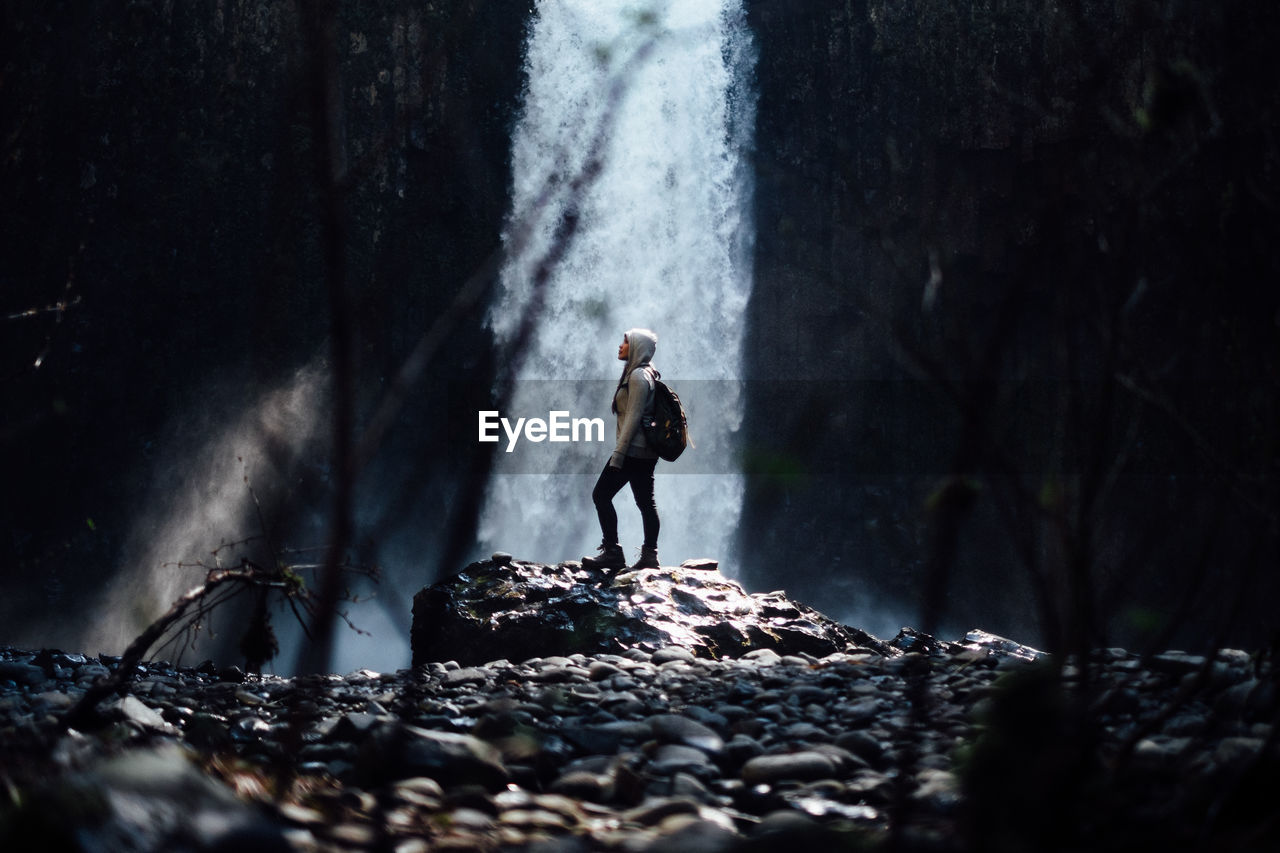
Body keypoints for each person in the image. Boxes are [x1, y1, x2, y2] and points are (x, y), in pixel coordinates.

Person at [582, 328, 661, 572]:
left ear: (636, 347)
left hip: (632, 452)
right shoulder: (648, 373)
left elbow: (634, 418)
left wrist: (618, 454)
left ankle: (613, 551)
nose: (620, 346)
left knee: (601, 495)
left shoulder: (637, 376)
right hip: (645, 453)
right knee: (646, 503)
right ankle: (650, 555)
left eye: (625, 342)